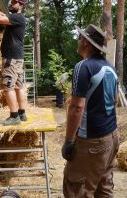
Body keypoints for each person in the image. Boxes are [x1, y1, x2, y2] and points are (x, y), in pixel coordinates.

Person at [61, 24, 119, 198]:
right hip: (111, 137)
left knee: (77, 188)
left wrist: (69, 141)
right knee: (104, 188)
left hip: (91, 142)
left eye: (79, 38)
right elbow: (114, 101)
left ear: (85, 42)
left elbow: (77, 106)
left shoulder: (83, 66)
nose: (77, 41)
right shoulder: (110, 67)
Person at [0, 0, 27, 126]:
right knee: (18, 86)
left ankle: (14, 116)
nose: (11, 3)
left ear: (20, 5)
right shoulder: (17, 18)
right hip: (17, 58)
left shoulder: (17, 17)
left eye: (14, 2)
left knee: (7, 87)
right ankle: (22, 113)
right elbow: (1, 14)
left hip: (11, 59)